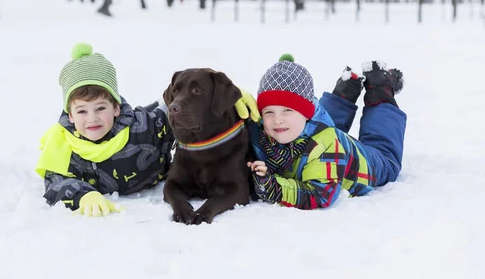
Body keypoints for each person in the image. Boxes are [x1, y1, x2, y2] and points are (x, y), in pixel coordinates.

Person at [35, 42, 259, 217]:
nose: (92, 118)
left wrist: (228, 95)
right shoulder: (63, 147)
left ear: (116, 108)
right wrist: (83, 196)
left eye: (100, 107)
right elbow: (56, 182)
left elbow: (167, 109)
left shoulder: (141, 127)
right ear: (70, 115)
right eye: (82, 111)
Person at [247, 54, 406, 210]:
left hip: (363, 163)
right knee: (318, 125)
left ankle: (380, 88)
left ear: (306, 114)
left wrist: (274, 188)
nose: (277, 120)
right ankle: (346, 89)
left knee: (386, 157)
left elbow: (321, 193)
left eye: (287, 110)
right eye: (268, 112)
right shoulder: (260, 129)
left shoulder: (323, 144)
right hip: (324, 139)